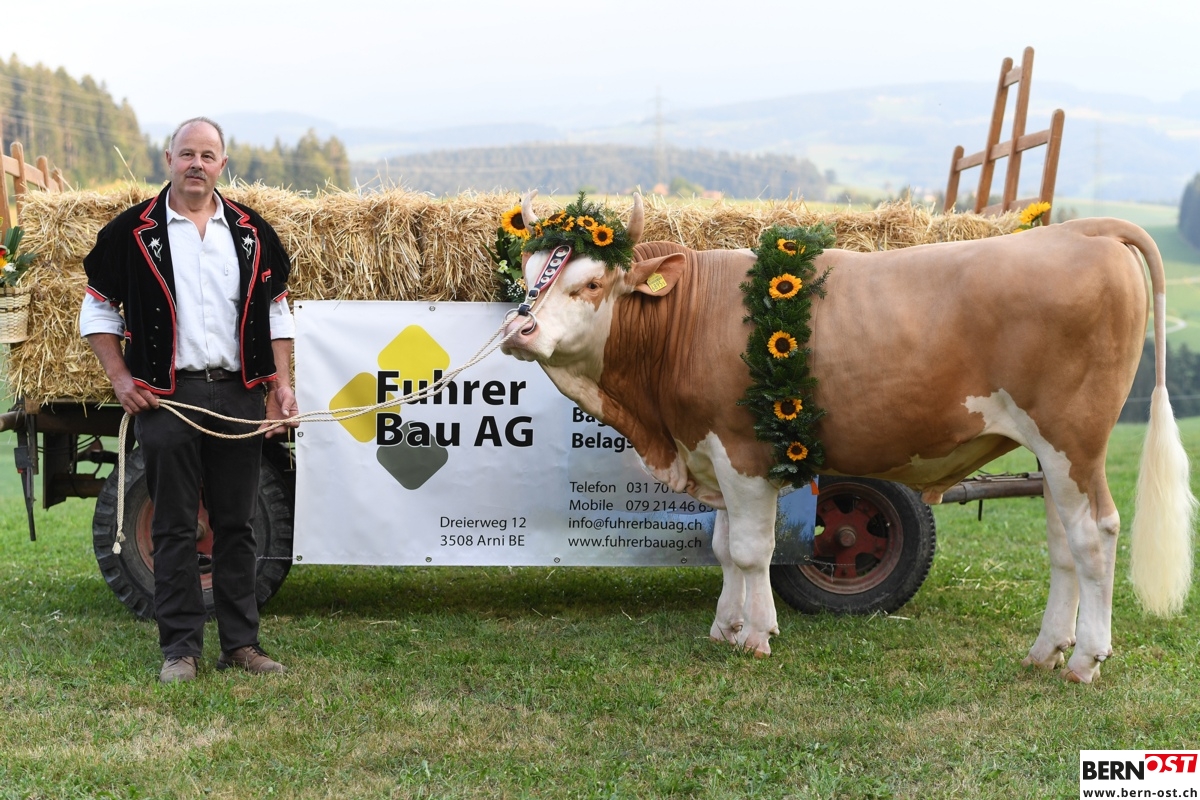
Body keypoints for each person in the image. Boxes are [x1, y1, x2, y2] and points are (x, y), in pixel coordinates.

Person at [79, 117, 299, 684]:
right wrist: (121, 379)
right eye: (186, 154)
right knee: (175, 525)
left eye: (207, 155)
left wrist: (281, 386)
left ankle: (241, 645)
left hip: (238, 393)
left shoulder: (251, 232)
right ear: (168, 159)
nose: (196, 164)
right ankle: (180, 650)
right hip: (167, 397)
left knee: (237, 524)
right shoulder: (132, 233)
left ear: (222, 164)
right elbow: (97, 310)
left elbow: (277, 313)